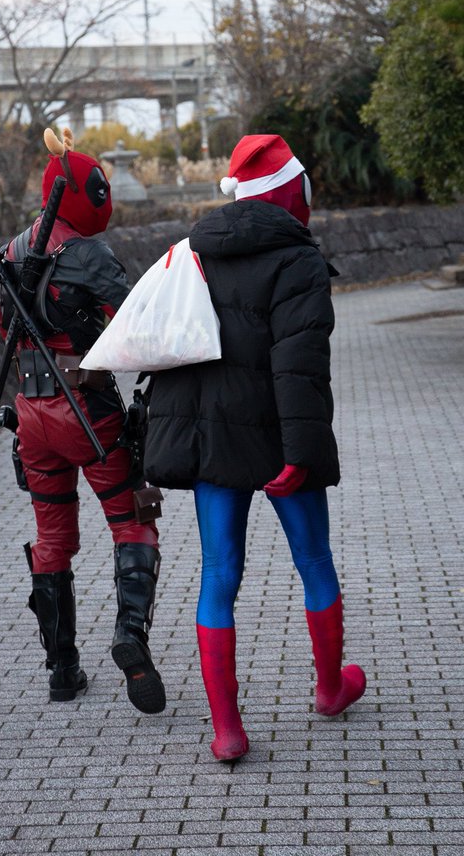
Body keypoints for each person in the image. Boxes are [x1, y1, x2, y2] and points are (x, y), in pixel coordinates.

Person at [143, 133, 365, 761]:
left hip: (210, 441)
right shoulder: (298, 261)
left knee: (219, 575)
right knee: (314, 560)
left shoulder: (191, 251)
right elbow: (299, 368)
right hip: (278, 439)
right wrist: (301, 454)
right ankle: (330, 690)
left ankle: (227, 731)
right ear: (293, 193)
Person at [0, 126, 165, 713]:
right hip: (87, 411)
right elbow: (134, 324)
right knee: (132, 517)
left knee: (52, 538)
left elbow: (4, 329)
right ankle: (130, 634)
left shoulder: (10, 252)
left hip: (30, 413)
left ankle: (62, 670)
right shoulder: (90, 255)